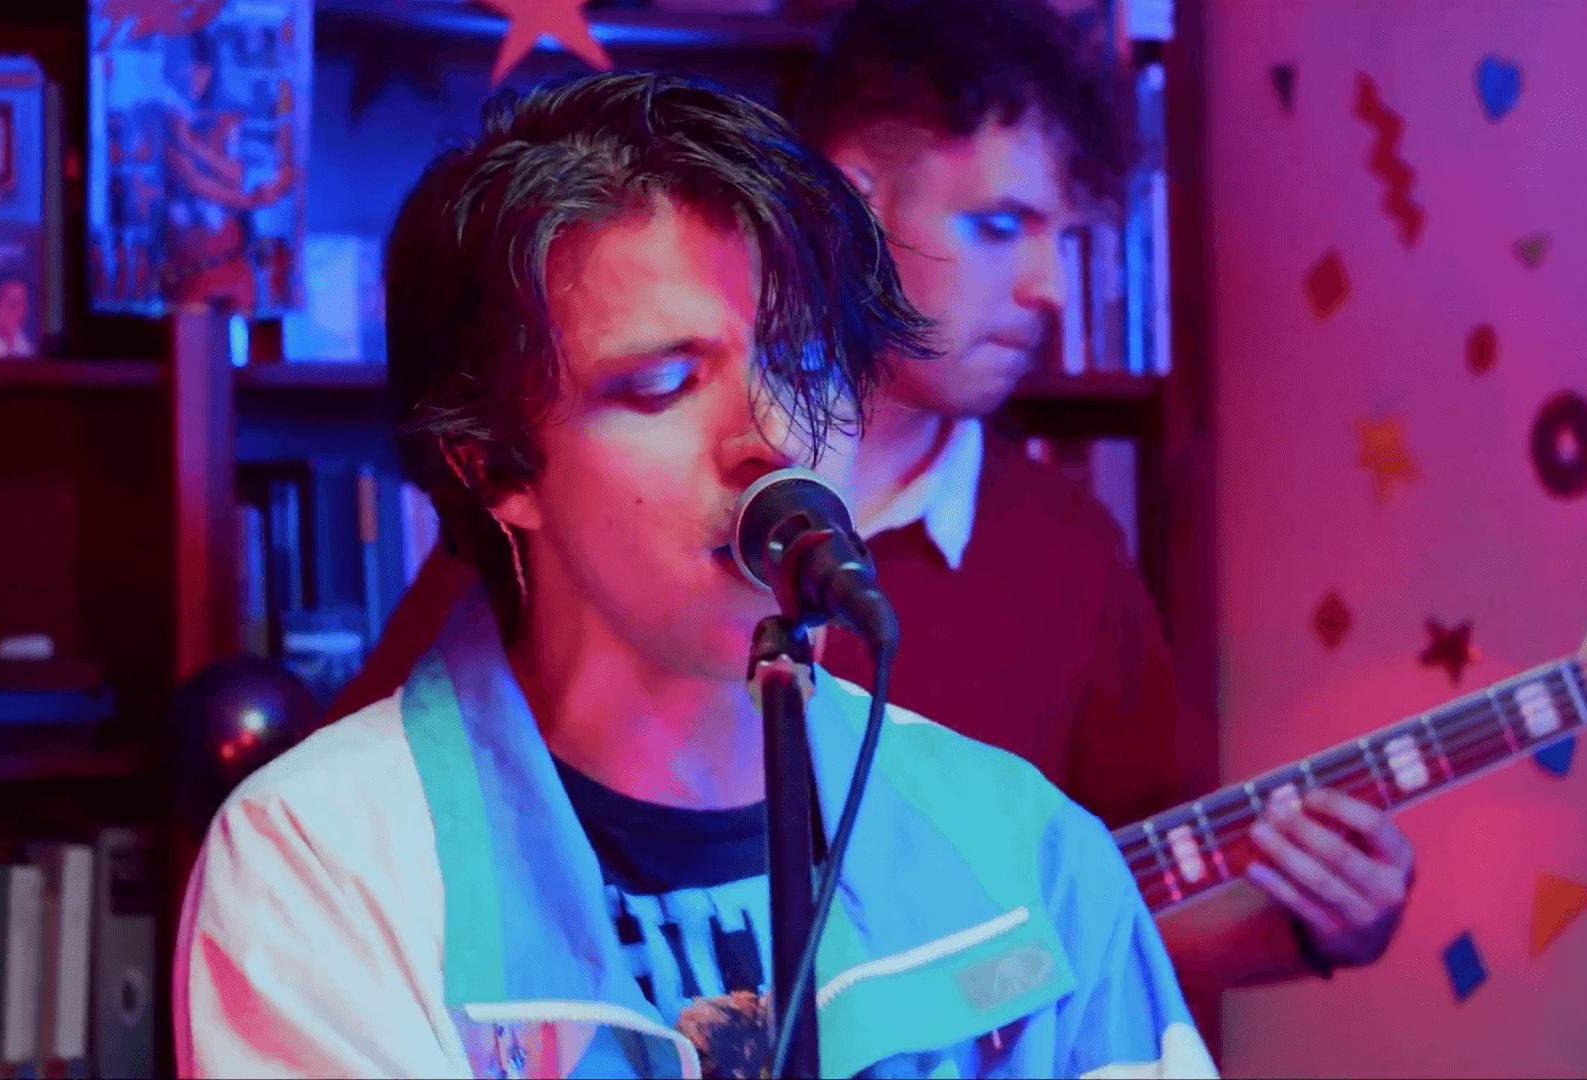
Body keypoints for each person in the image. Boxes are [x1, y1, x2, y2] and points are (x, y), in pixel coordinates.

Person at [330, 0, 1418, 1000]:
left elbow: (1083, 932)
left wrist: (1303, 929)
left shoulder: (1068, 546)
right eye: (1001, 225)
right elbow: (388, 851)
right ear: (856, 208)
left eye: (1068, 240)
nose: (1049, 288)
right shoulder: (588, 521)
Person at [174, 72, 1215, 1079]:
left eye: (807, 365)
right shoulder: (323, 862)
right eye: (666, 385)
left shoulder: (1024, 841)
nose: (775, 436)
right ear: (493, 466)